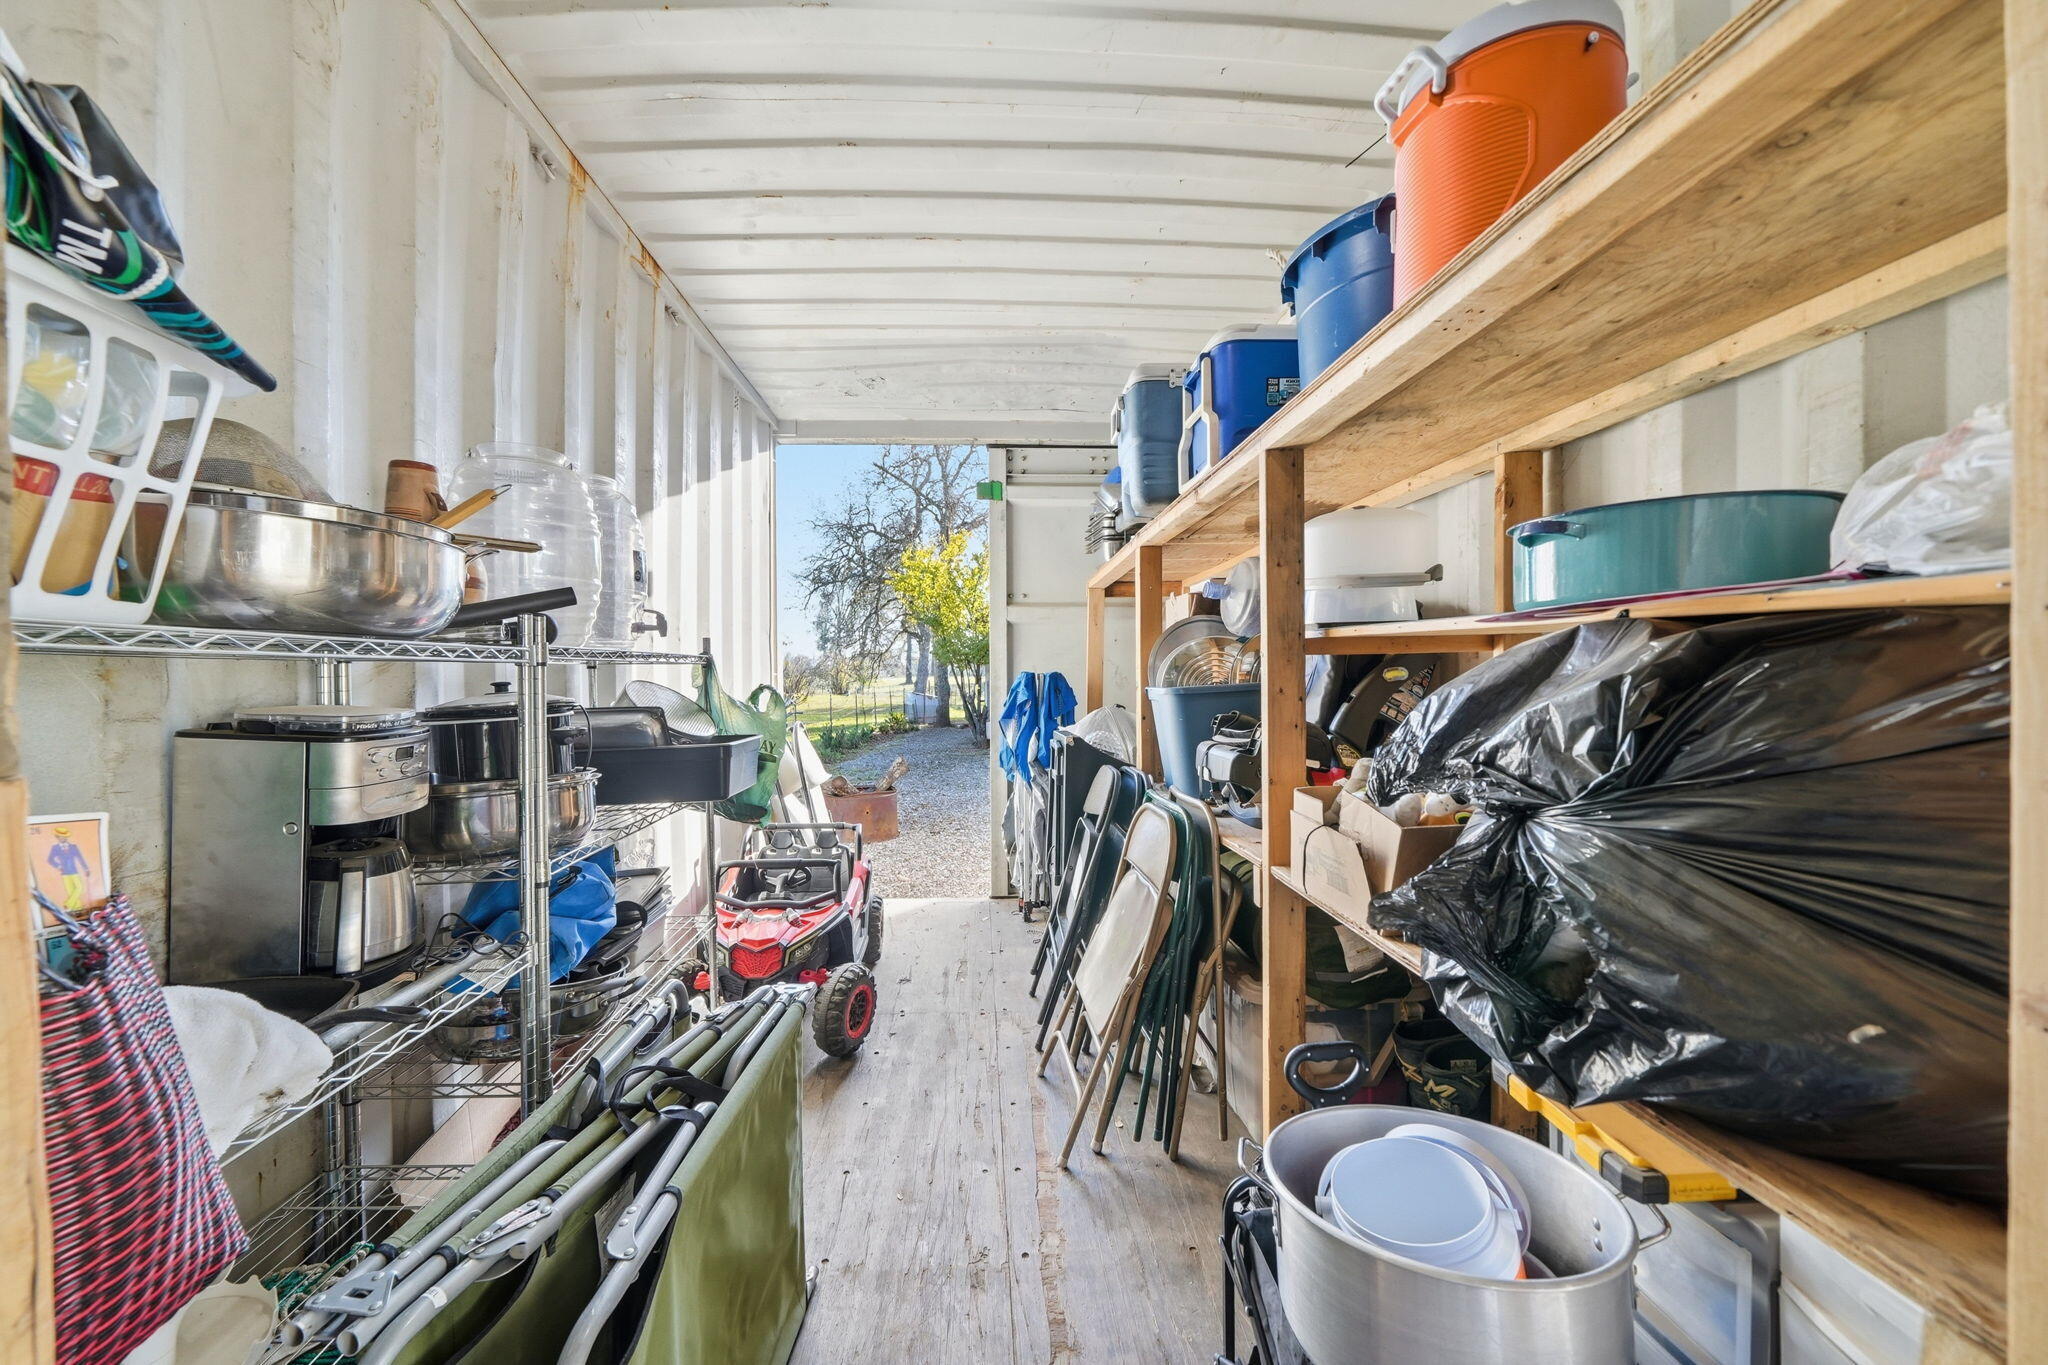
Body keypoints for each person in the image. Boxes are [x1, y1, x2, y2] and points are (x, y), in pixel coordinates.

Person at [47, 826, 91, 911]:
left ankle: (68, 904)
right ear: (57, 837)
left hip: (74, 871)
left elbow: (80, 858)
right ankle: (77, 908)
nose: (63, 838)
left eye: (65, 836)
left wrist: (86, 869)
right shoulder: (55, 848)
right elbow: (50, 859)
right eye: (61, 836)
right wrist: (58, 866)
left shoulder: (73, 847)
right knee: (71, 891)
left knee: (80, 888)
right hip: (64, 873)